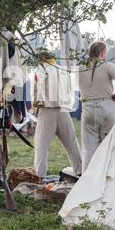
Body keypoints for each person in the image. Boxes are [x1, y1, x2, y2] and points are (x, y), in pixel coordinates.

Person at [33, 51, 82, 180]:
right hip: (64, 110)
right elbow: (70, 90)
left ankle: (39, 176)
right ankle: (81, 172)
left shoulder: (40, 69)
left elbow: (37, 89)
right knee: (72, 144)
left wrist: (35, 106)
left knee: (41, 147)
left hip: (47, 110)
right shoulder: (64, 70)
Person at [79, 41, 115, 173]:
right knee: (110, 144)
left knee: (88, 149)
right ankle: (108, 176)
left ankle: (87, 182)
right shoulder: (108, 66)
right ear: (103, 53)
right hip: (106, 106)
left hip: (87, 107)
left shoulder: (80, 68)